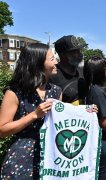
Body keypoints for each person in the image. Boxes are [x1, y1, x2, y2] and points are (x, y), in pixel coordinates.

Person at [0, 43, 62, 179]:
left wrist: (86, 112)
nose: (56, 62)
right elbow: (2, 130)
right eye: (52, 59)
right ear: (38, 63)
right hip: (22, 158)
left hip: (51, 158)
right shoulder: (15, 92)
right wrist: (34, 115)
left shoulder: (56, 91)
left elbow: (62, 123)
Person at [50, 35, 87, 105]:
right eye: (75, 51)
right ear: (62, 55)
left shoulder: (82, 71)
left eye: (79, 50)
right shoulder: (52, 76)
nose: (80, 54)